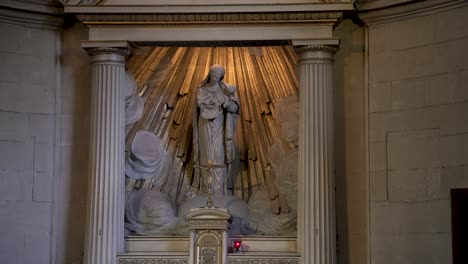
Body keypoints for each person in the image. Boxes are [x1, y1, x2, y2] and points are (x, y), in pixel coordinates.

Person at [192, 64, 240, 196]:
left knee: (218, 155)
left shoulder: (225, 90)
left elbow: (235, 108)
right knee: (206, 154)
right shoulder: (202, 89)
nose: (215, 78)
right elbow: (199, 103)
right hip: (205, 124)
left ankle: (218, 191)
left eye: (218, 76)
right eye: (213, 75)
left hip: (220, 125)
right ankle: (205, 190)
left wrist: (226, 101)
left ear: (221, 77)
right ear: (209, 74)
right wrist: (211, 101)